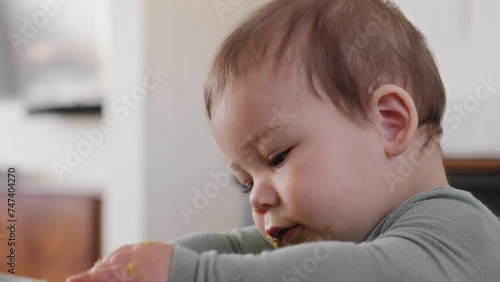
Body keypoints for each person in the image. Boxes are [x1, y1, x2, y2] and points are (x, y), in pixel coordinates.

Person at [67, 0, 500, 281]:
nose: (256, 198)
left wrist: (191, 275)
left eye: (276, 157)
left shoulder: (460, 231)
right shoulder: (336, 235)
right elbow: (236, 245)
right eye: (245, 180)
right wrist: (131, 267)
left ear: (389, 123)